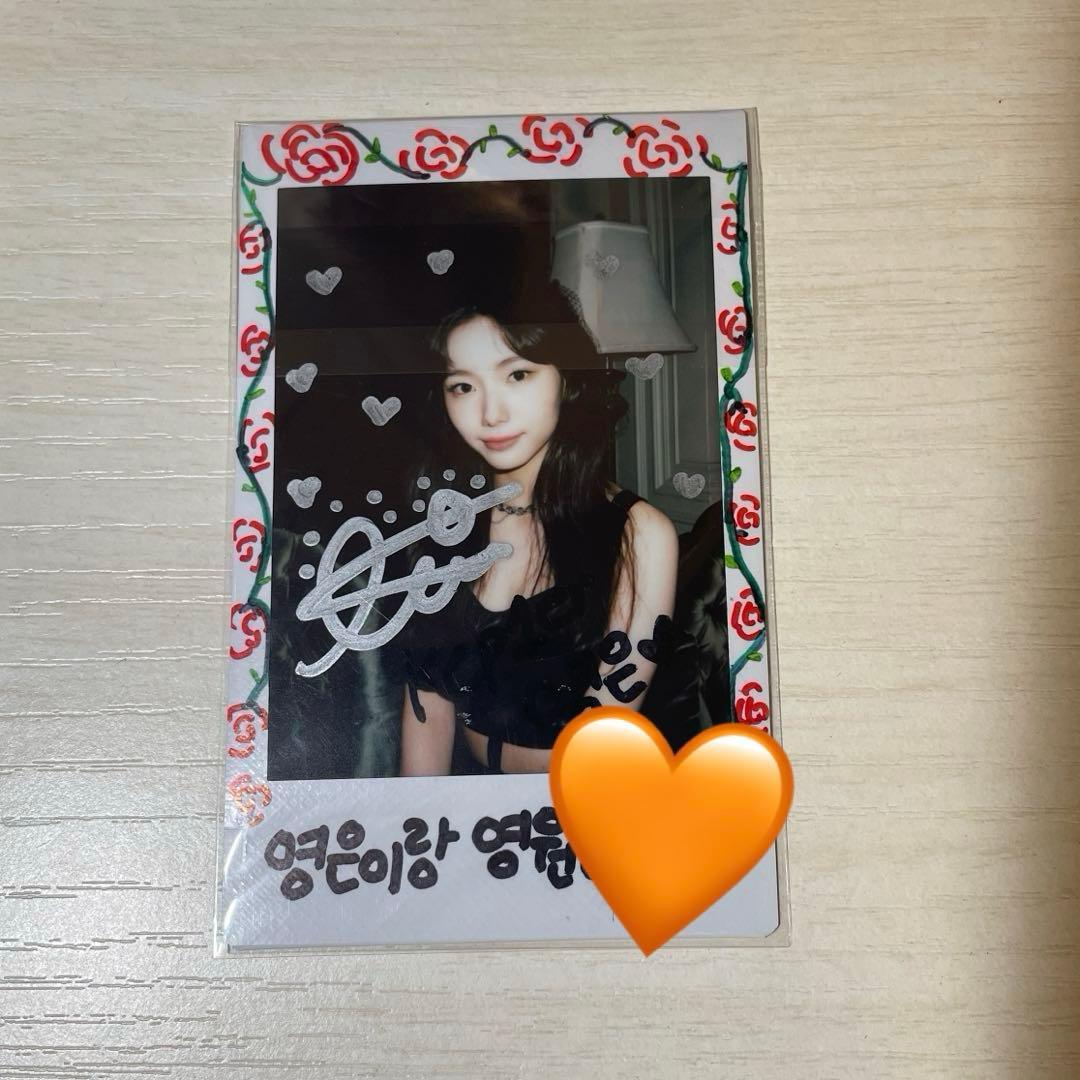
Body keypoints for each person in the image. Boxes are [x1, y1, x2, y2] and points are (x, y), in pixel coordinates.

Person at [395, 277, 680, 776]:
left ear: (566, 379)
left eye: (518, 375)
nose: (491, 413)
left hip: (574, 804)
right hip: (465, 801)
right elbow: (428, 709)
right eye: (463, 386)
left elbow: (601, 746)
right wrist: (422, 816)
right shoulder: (446, 523)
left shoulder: (638, 535)